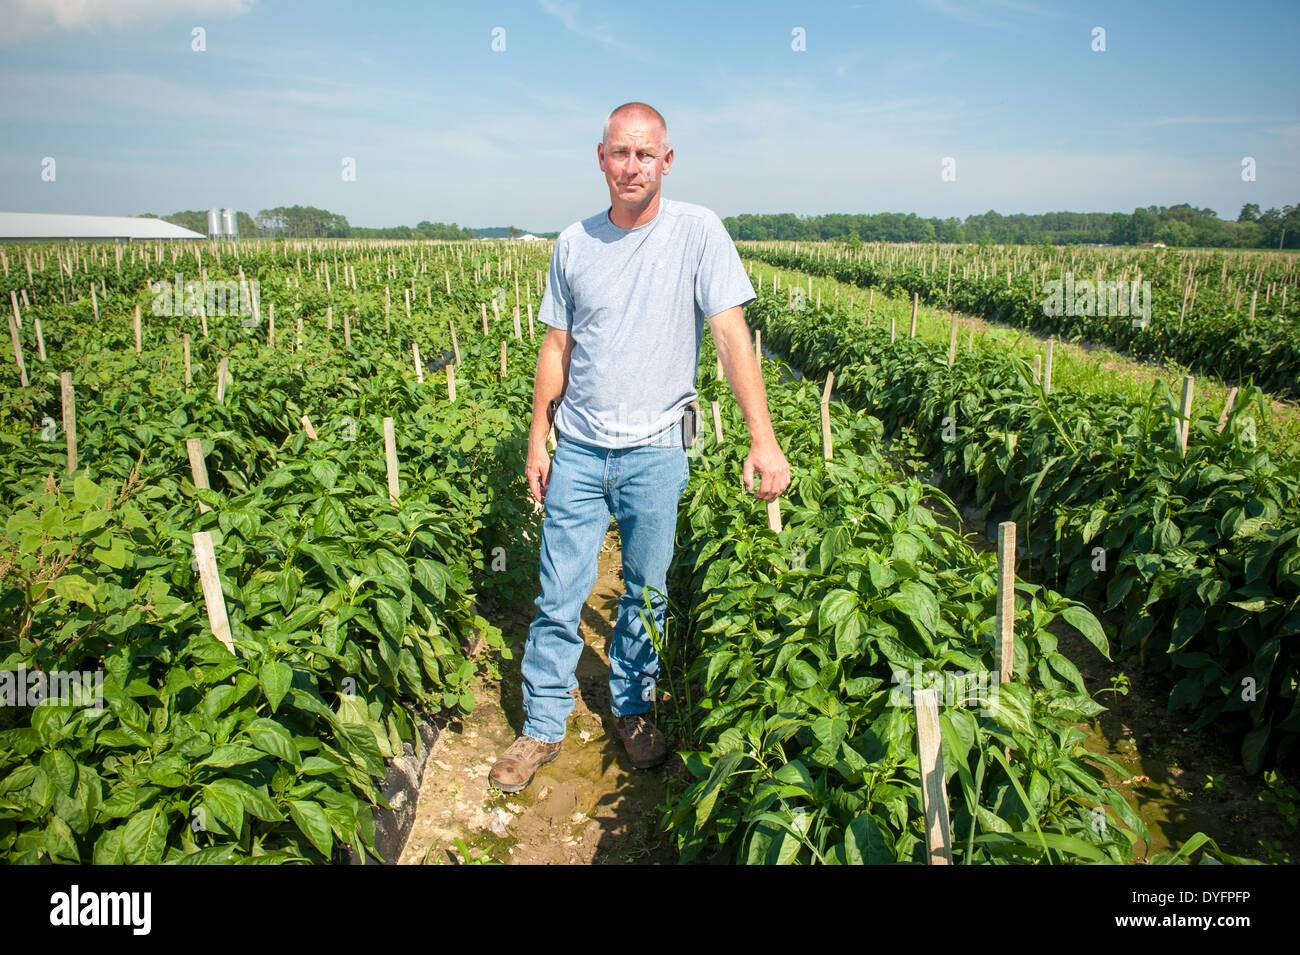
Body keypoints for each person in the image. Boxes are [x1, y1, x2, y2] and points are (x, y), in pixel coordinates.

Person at [488, 102, 791, 793]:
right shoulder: (573, 243)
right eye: (620, 153)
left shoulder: (699, 232)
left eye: (645, 154)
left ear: (667, 161)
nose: (632, 166)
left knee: (647, 592)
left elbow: (730, 333)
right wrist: (540, 433)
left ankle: (632, 706)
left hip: (658, 448)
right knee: (559, 591)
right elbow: (556, 345)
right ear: (601, 159)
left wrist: (762, 438)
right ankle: (541, 722)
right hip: (582, 449)